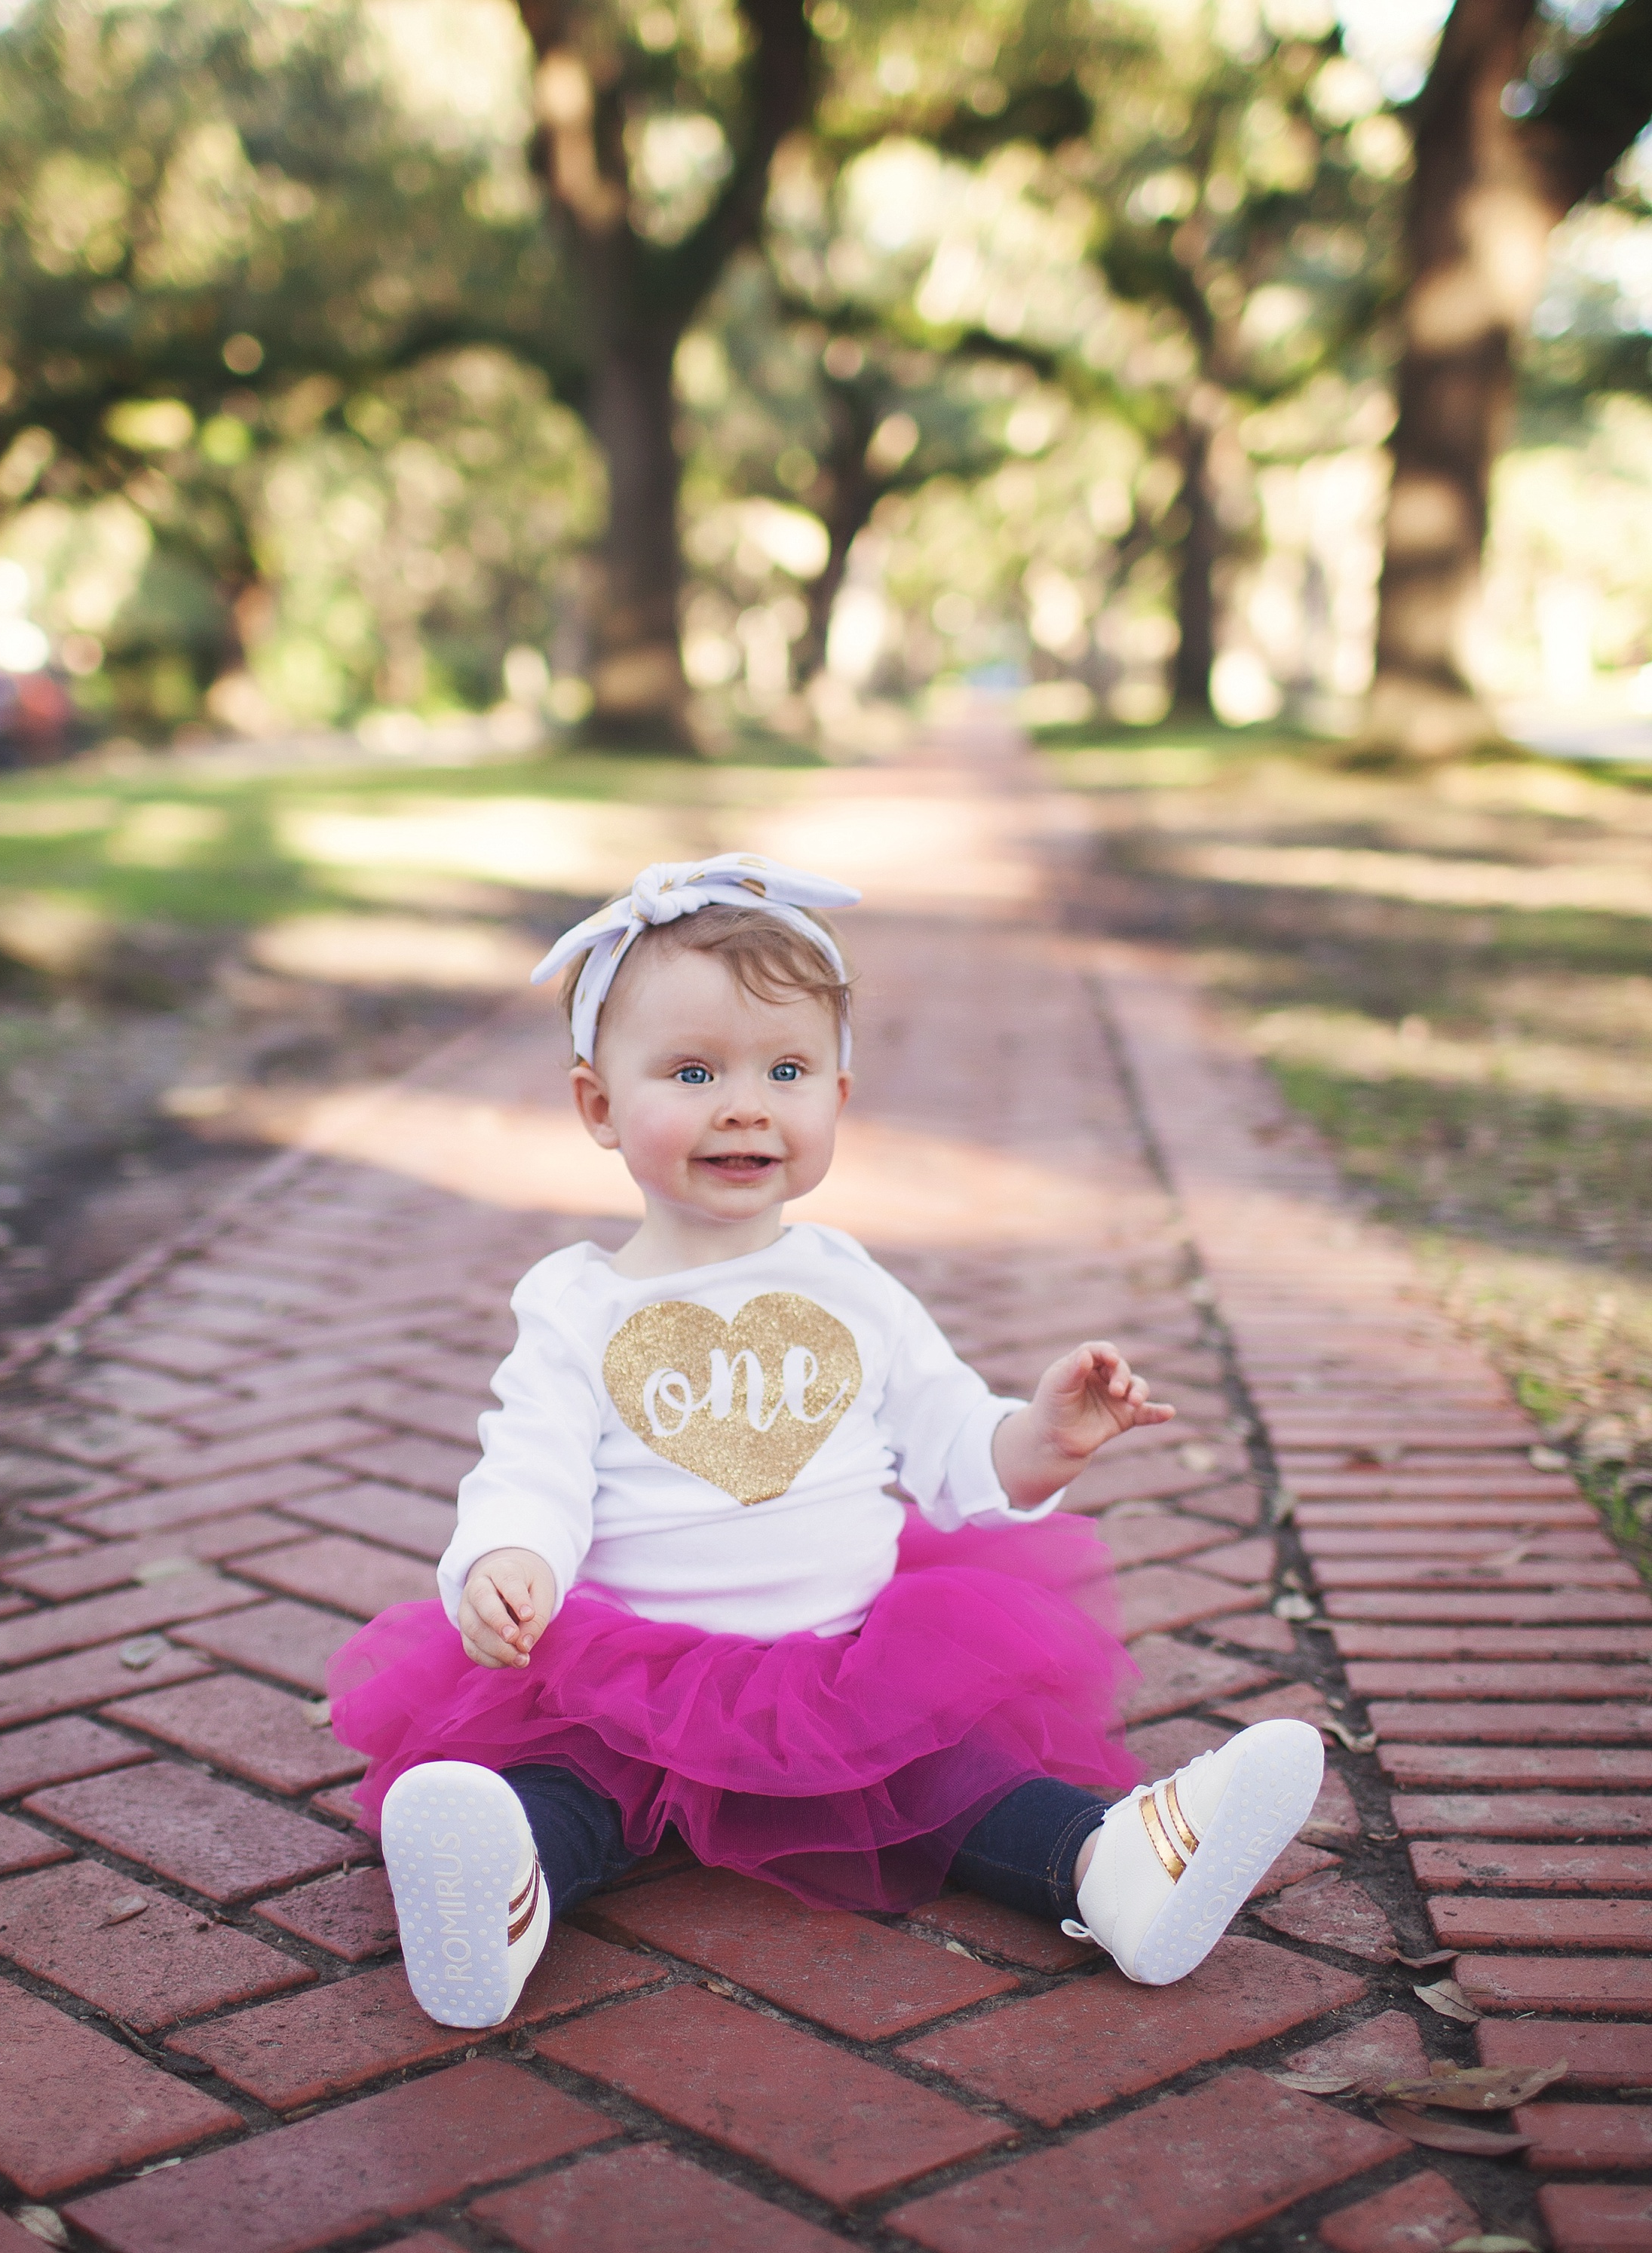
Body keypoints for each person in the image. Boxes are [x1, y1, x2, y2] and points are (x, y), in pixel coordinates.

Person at [326, 854, 1323, 2028]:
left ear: (836, 1100)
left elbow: (955, 1448)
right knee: (563, 1785)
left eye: (785, 1069)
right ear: (597, 1104)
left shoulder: (849, 1282)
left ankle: (1114, 1870)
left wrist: (1042, 1436)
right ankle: (501, 1893)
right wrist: (509, 1561)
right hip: (626, 1680)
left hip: (846, 1666)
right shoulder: (577, 1304)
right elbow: (529, 1465)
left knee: (954, 1779)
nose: (745, 1103)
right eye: (693, 1071)